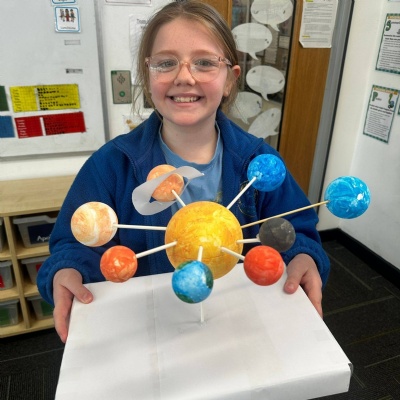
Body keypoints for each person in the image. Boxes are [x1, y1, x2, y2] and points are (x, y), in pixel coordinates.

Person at [37, 0, 330, 343]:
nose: (184, 77)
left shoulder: (259, 164)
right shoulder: (112, 165)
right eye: (166, 63)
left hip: (237, 325)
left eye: (205, 62)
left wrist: (303, 256)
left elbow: (295, 229)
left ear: (230, 80)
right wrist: (68, 269)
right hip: (148, 328)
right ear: (148, 77)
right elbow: (77, 242)